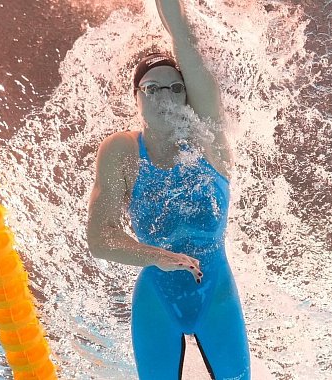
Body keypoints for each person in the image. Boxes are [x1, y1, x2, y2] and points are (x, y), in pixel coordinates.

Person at [85, 0, 250, 378]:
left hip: (217, 294)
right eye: (152, 87)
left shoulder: (209, 139)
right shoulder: (122, 151)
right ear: (136, 97)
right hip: (156, 300)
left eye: (175, 88)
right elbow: (100, 237)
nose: (164, 96)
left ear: (187, 96)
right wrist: (155, 255)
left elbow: (184, 41)